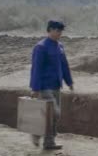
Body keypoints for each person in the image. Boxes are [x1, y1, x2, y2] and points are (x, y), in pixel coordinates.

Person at [29, 20, 74, 150]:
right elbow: (36, 69)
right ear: (50, 30)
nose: (60, 33)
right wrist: (35, 88)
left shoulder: (60, 46)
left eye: (61, 31)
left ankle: (49, 143)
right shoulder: (41, 47)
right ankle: (36, 133)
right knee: (54, 113)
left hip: (56, 86)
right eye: (57, 30)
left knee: (53, 116)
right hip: (44, 87)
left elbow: (64, 65)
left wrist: (69, 81)